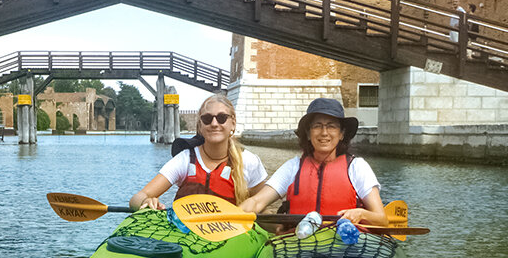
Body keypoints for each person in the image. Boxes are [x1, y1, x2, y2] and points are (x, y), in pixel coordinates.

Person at [241, 98, 388, 227]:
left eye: (331, 126)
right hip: (300, 244)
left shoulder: (357, 167)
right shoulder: (293, 167)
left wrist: (361, 214)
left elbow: (381, 219)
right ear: (308, 134)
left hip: (345, 246)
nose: (324, 132)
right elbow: (256, 202)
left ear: (342, 134)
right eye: (317, 126)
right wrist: (230, 217)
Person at [129, 94, 268, 211]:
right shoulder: (185, 159)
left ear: (233, 123)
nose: (214, 124)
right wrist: (145, 201)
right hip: (187, 237)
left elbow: (262, 207)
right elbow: (137, 197)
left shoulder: (249, 161)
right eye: (207, 119)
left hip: (231, 236)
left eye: (221, 118)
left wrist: (277, 227)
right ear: (200, 126)